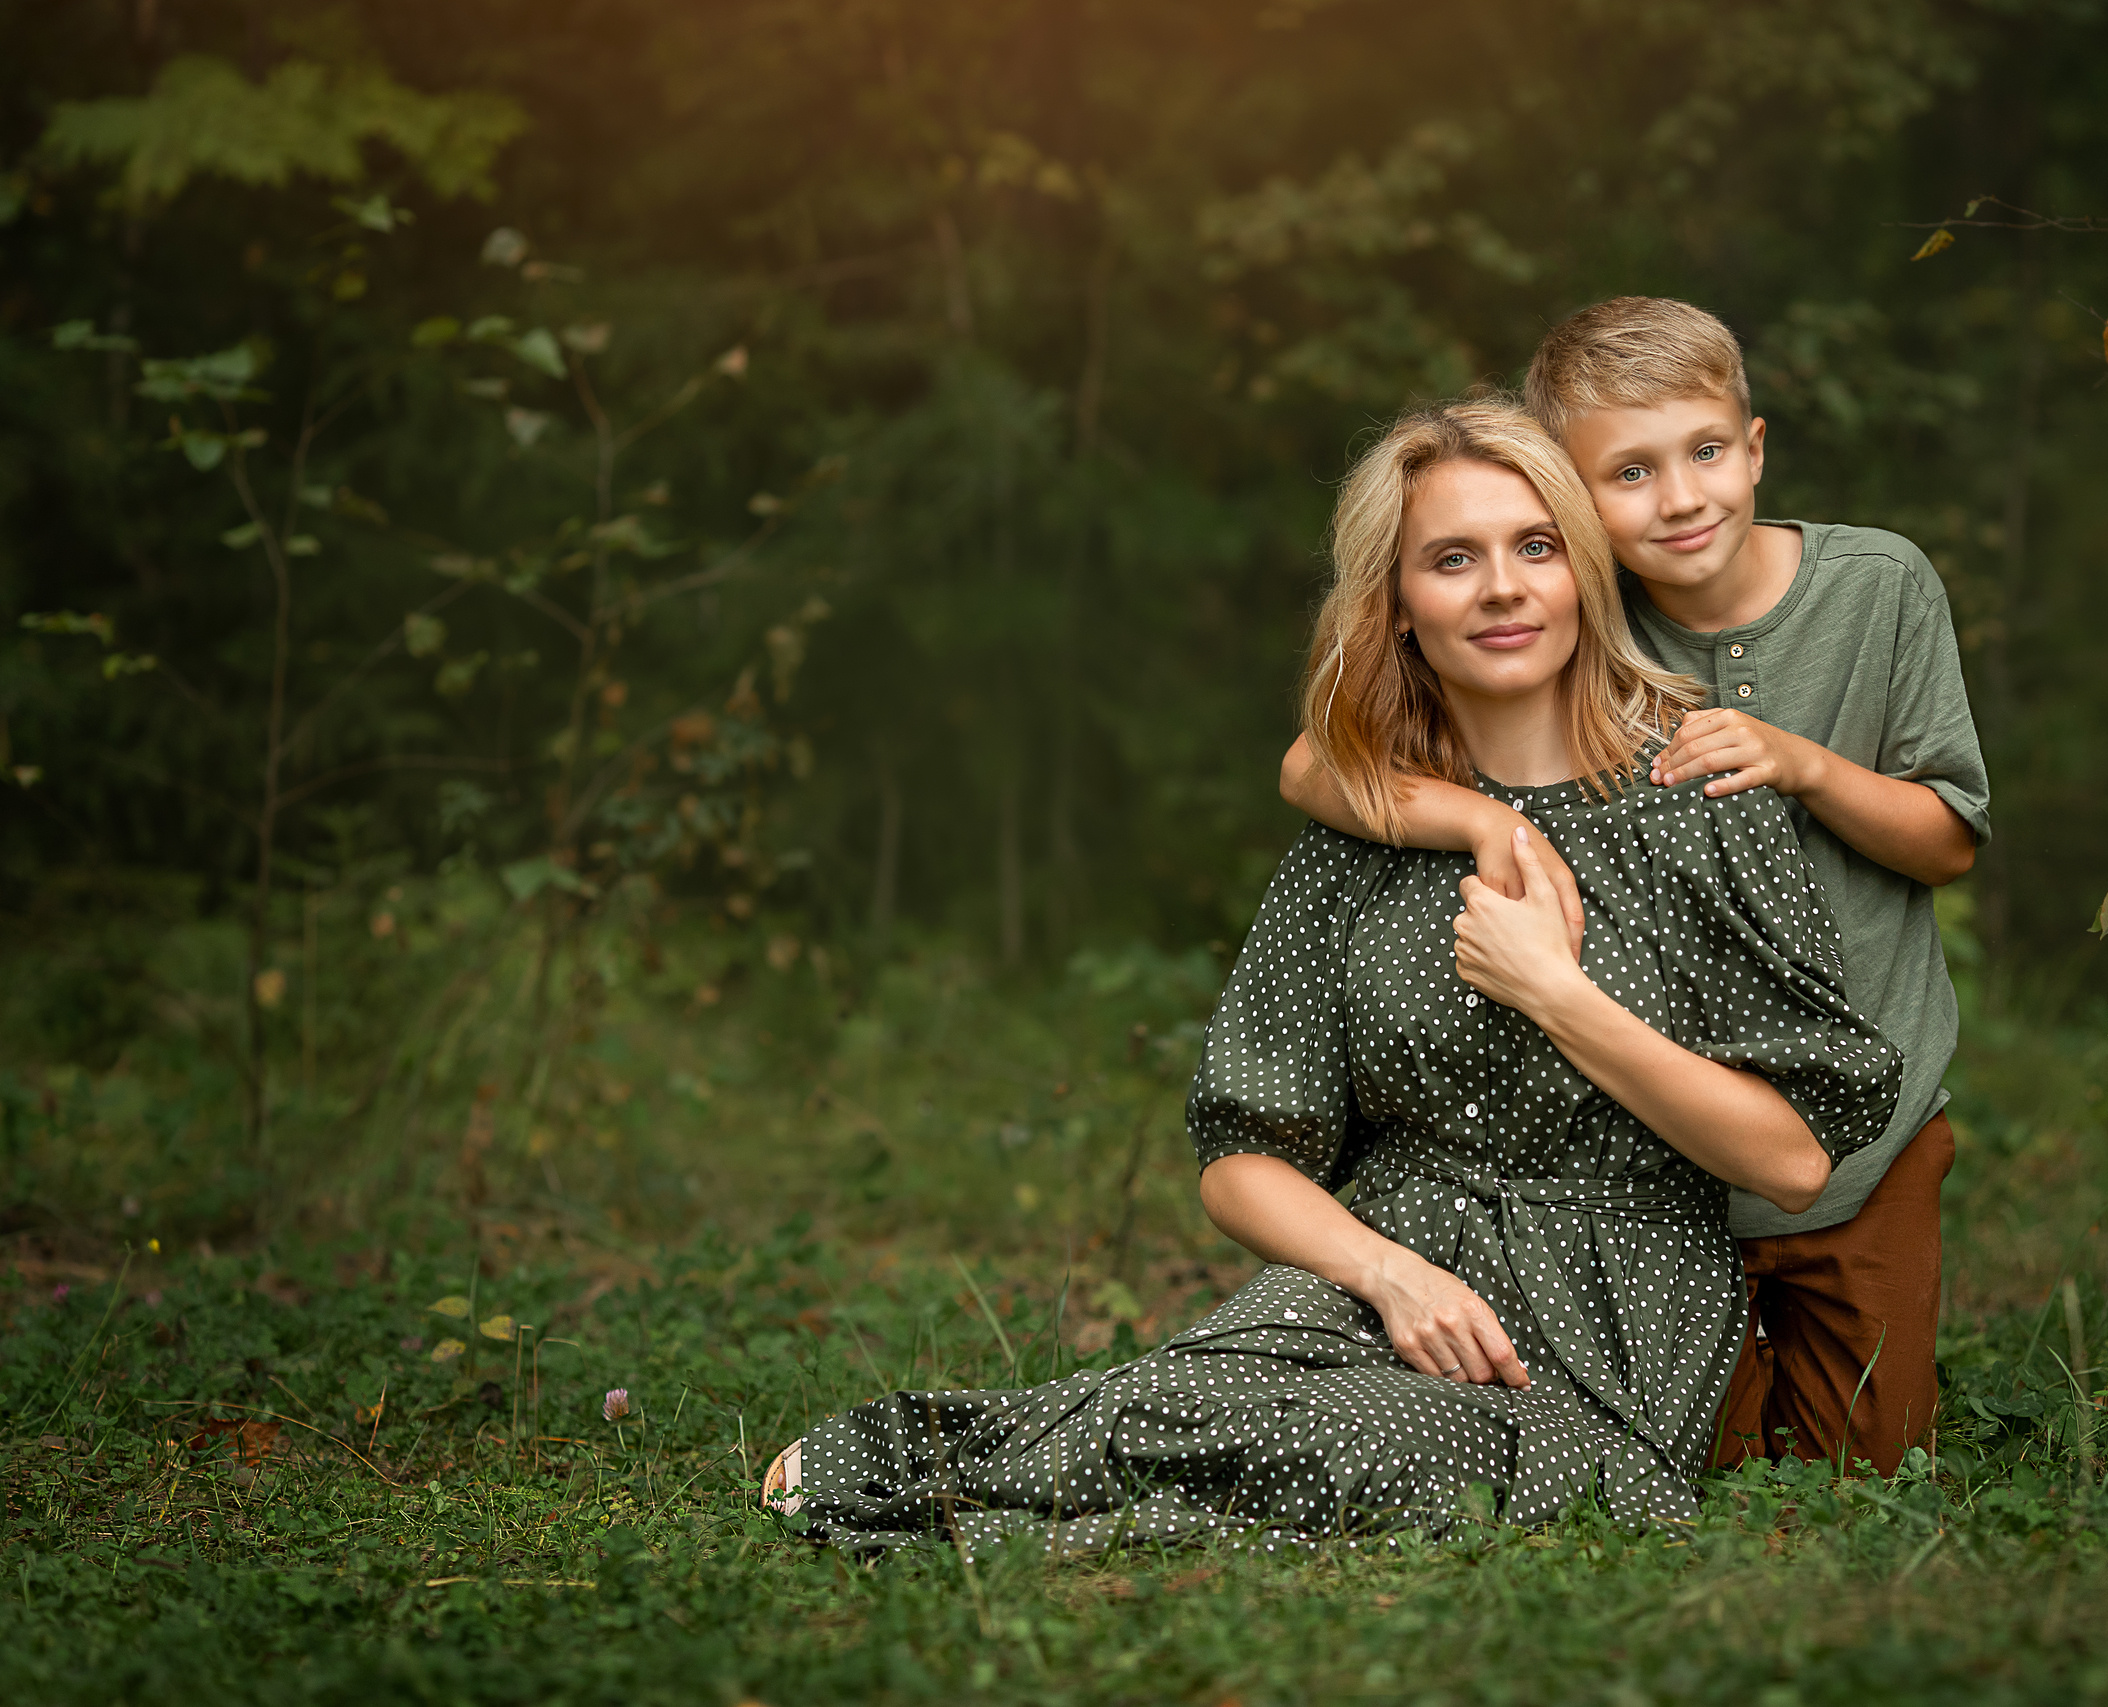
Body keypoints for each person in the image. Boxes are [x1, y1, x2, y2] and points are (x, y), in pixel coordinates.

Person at [762, 400, 1901, 1552]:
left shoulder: (1699, 806)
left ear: (1583, 573)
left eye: (1535, 547)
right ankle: (934, 1458)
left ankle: (976, 1508)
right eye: (1451, 560)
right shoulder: (1362, 838)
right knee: (1198, 1397)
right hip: (1375, 1274)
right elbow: (1240, 1162)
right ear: (1398, 605)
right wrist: (1390, 1276)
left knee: (1352, 1440)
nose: (1502, 589)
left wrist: (1556, 996)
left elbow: (1789, 1161)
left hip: (1606, 1316)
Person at [1281, 299, 1991, 1475]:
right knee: (1697, 1461)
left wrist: (1805, 766)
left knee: (1863, 1465)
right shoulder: (1581, 614)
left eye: (1705, 452)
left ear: (1753, 447)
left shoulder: (1878, 586)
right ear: (1575, 500)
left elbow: (1949, 842)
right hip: (1647, 1153)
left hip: (1861, 1131)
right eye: (1628, 473)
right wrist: (1484, 819)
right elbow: (1316, 767)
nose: (1679, 499)